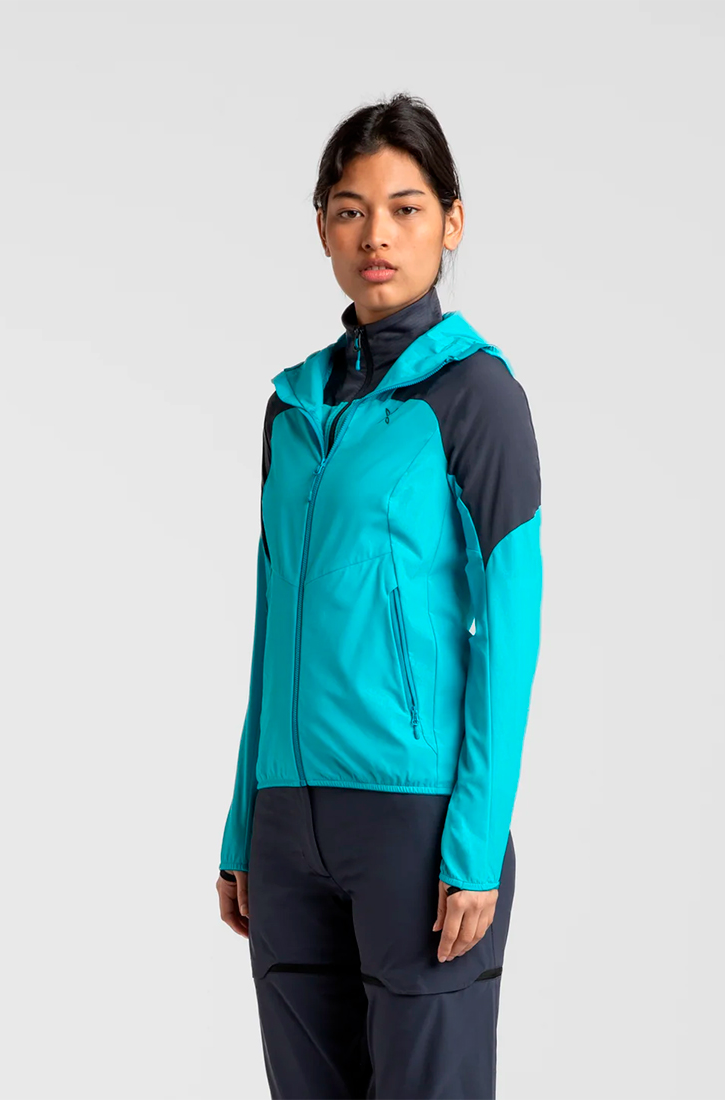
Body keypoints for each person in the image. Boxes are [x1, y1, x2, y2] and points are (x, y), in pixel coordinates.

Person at [215, 93, 543, 1100]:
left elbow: (511, 626)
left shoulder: (474, 395)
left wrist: (474, 840)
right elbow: (274, 622)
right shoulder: (291, 407)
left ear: (451, 221)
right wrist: (244, 819)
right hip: (287, 821)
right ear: (321, 226)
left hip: (414, 818)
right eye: (351, 211)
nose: (376, 237)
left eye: (405, 209)